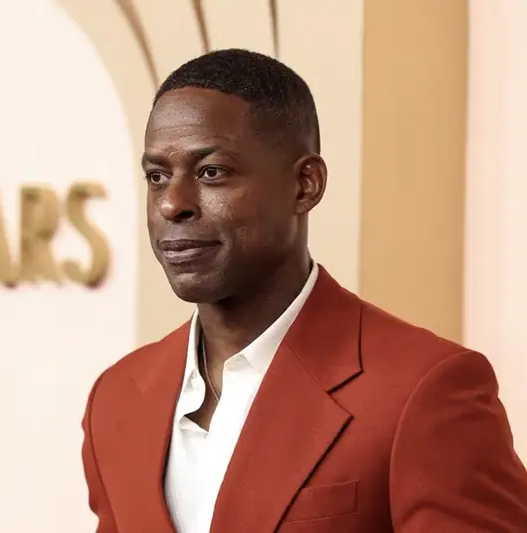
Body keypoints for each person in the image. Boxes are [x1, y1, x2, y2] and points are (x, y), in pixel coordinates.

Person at [80, 48, 527, 532]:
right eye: (157, 176)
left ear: (305, 185)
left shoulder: (424, 391)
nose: (172, 205)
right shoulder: (117, 397)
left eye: (211, 172)